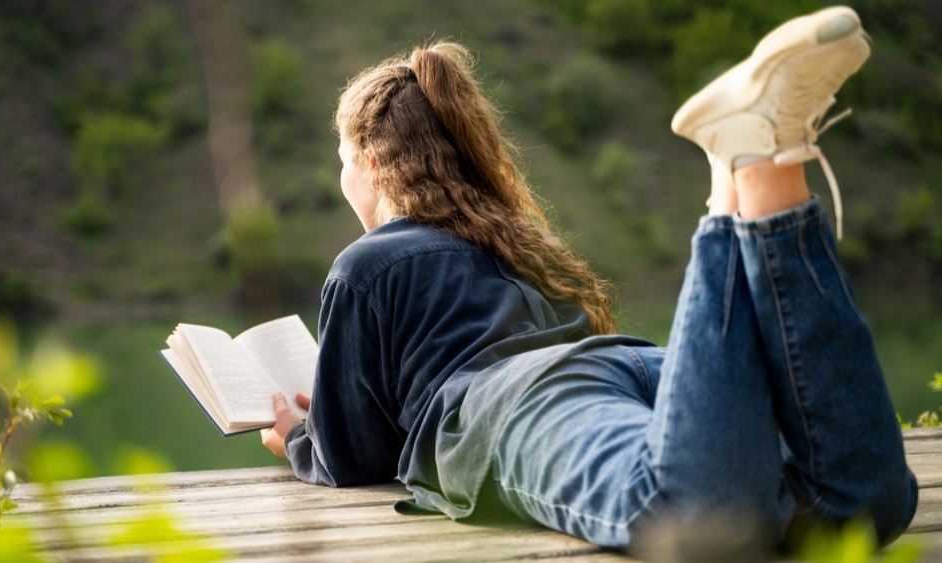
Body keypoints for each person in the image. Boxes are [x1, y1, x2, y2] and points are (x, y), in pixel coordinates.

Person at [260, 5, 918, 554]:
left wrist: (295, 434)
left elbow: (350, 462)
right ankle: (772, 173)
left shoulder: (365, 265)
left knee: (689, 518)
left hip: (520, 406)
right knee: (865, 500)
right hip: (629, 367)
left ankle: (732, 177)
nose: (343, 176)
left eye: (343, 159)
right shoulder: (512, 233)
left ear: (371, 163)